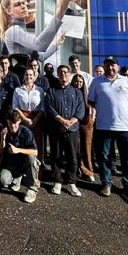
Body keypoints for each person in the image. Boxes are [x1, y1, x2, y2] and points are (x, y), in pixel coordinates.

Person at [88, 56, 128, 201]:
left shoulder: (126, 81)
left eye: (113, 65)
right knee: (104, 157)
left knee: (127, 158)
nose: (110, 67)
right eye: (107, 65)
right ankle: (106, 184)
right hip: (104, 126)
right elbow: (91, 101)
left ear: (118, 67)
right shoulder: (96, 81)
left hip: (126, 127)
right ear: (103, 67)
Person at [45, 64, 85, 196]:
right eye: (61, 72)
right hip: (57, 128)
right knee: (56, 155)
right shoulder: (51, 91)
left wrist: (70, 122)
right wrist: (62, 121)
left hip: (72, 130)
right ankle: (57, 181)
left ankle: (71, 182)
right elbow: (49, 108)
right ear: (57, 74)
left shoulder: (76, 92)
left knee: (72, 157)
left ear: (69, 74)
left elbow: (80, 109)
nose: (63, 75)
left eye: (66, 72)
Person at [0, 0, 69, 59]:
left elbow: (41, 56)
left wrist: (57, 42)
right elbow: (40, 45)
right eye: (17, 4)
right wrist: (60, 11)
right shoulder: (13, 30)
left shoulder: (21, 31)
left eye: (23, 3)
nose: (23, 6)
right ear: (8, 11)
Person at [0, 110, 40, 203]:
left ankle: (32, 189)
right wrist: (2, 139)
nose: (12, 126)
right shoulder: (5, 131)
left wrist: (18, 150)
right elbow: (0, 151)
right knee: (4, 181)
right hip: (12, 163)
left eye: (15, 123)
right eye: (10, 123)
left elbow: (35, 152)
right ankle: (18, 177)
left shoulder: (26, 132)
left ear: (20, 121)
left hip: (25, 162)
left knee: (32, 157)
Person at [68, 55, 94, 176]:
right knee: (75, 145)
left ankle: (89, 171)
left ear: (80, 64)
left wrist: (93, 116)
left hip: (86, 116)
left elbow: (92, 97)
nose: (75, 65)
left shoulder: (87, 76)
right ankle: (78, 168)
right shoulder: (68, 77)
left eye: (76, 63)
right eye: (72, 63)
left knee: (87, 145)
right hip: (72, 115)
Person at [12, 68, 45, 162]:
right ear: (23, 76)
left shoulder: (40, 90)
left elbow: (43, 107)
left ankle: (38, 172)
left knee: (38, 144)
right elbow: (15, 107)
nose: (28, 77)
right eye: (26, 74)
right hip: (22, 119)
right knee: (23, 143)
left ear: (34, 77)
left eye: (31, 75)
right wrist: (25, 119)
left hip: (37, 119)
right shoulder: (18, 90)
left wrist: (35, 120)